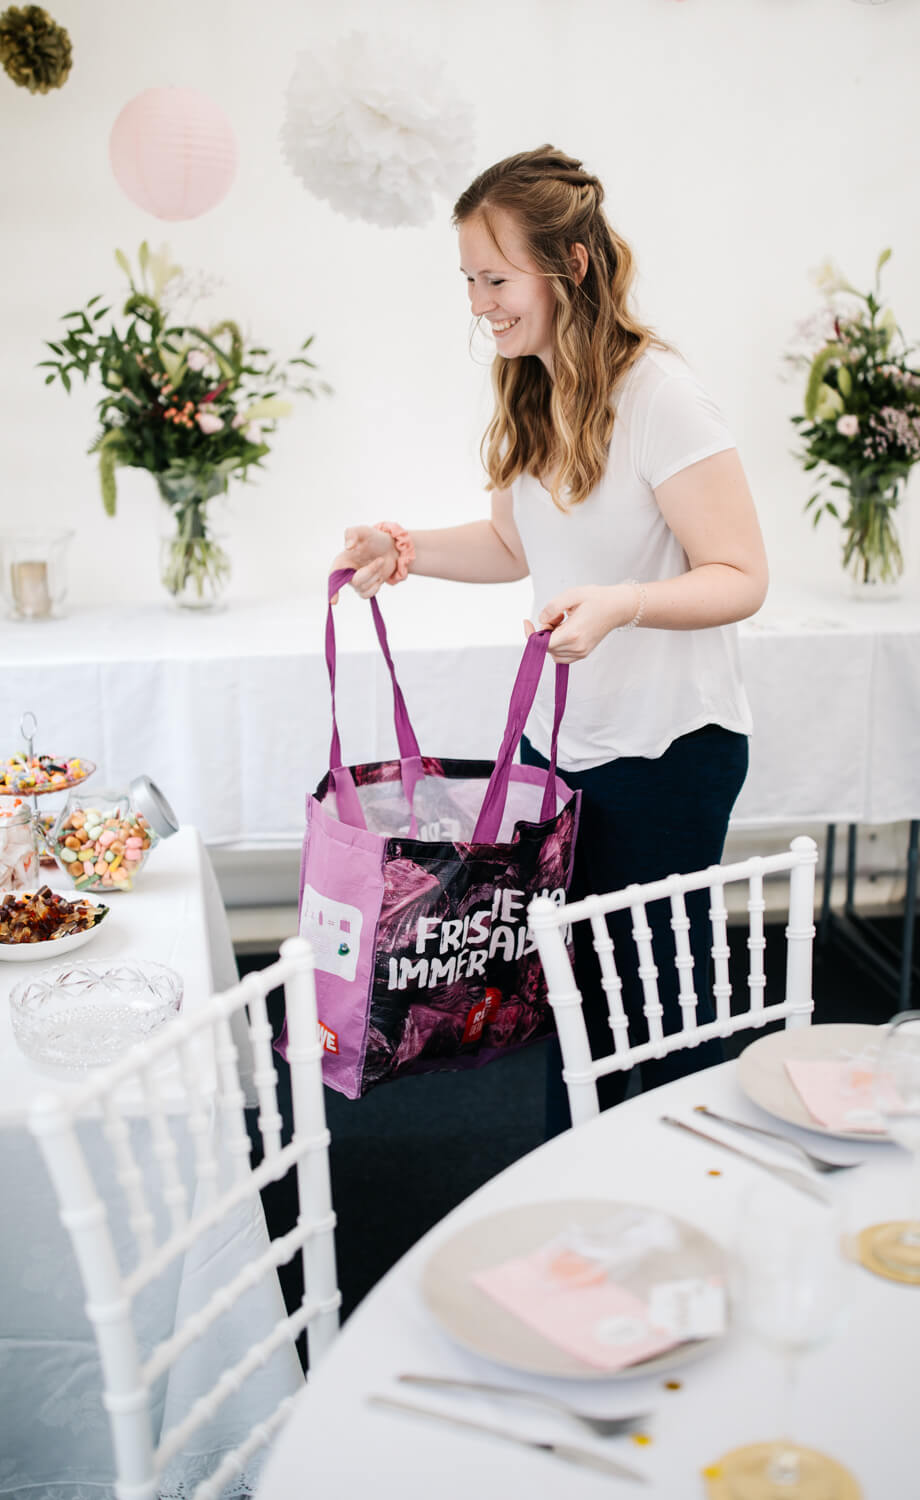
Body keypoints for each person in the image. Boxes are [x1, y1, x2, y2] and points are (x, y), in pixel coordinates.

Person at [332, 145, 768, 1134]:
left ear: (569, 264)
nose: (480, 303)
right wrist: (399, 548)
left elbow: (741, 575)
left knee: (659, 1009)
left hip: (668, 754)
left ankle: (681, 1198)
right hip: (563, 750)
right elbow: (508, 543)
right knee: (569, 1006)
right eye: (469, 282)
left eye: (495, 278)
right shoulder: (526, 384)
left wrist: (623, 602)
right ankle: (584, 1196)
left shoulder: (662, 395)